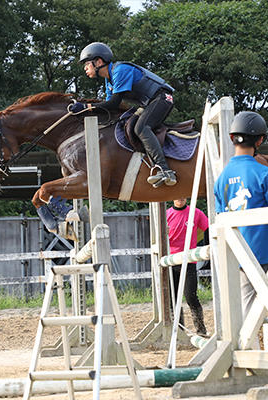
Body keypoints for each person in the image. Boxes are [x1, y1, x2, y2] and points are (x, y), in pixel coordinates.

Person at [213, 111, 268, 318]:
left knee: (249, 313)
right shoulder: (266, 174)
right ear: (259, 140)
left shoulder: (221, 180)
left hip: (240, 256)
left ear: (232, 138)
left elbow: (221, 221)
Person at [74, 42, 177, 188]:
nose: (85, 68)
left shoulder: (120, 70)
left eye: (86, 64)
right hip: (148, 103)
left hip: (162, 98)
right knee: (126, 123)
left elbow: (113, 103)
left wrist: (86, 107)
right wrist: (83, 111)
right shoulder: (108, 81)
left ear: (98, 62)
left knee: (141, 128)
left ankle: (165, 170)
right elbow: (109, 108)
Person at [166, 198, 208, 336]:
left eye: (183, 195)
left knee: (191, 296)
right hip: (171, 262)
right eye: (177, 195)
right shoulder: (166, 215)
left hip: (189, 261)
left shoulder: (195, 213)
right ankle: (179, 331)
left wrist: (208, 247)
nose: (180, 198)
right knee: (173, 299)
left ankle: (201, 330)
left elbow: (207, 228)